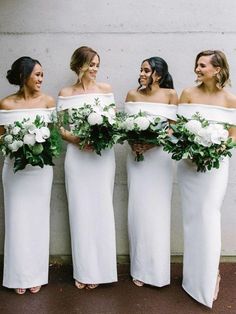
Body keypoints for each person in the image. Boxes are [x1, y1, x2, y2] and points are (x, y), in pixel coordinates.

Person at [177, 50, 236, 308]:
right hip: (189, 166)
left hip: (215, 166)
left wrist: (218, 149)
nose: (197, 69)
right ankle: (192, 278)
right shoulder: (188, 94)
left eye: (202, 65)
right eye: (196, 65)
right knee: (192, 219)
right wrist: (190, 146)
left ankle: (211, 275)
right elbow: (177, 130)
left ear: (217, 69)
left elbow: (233, 135)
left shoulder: (231, 99)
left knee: (208, 215)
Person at [57, 46, 117, 289]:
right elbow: (60, 128)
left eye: (97, 65)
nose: (94, 69)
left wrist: (99, 138)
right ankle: (84, 271)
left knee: (102, 209)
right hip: (77, 157)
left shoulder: (106, 90)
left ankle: (102, 271)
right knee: (80, 210)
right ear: (78, 65)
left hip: (102, 157)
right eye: (90, 64)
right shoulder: (66, 92)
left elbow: (112, 124)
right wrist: (79, 140)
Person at [0, 56, 55, 294]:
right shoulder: (6, 104)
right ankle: (17, 274)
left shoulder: (47, 101)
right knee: (17, 221)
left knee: (38, 220)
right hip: (14, 170)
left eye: (42, 74)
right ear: (24, 76)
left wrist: (37, 147)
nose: (41, 79)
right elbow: (1, 136)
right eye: (37, 75)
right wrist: (16, 145)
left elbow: (52, 137)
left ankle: (35, 275)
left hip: (40, 171)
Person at [125, 56, 178, 287]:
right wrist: (133, 143)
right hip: (137, 158)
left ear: (158, 73)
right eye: (141, 70)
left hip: (160, 159)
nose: (142, 73)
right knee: (138, 210)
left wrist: (151, 144)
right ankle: (139, 268)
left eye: (147, 70)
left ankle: (157, 270)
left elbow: (173, 129)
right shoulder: (132, 95)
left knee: (157, 211)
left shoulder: (170, 95)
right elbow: (125, 126)